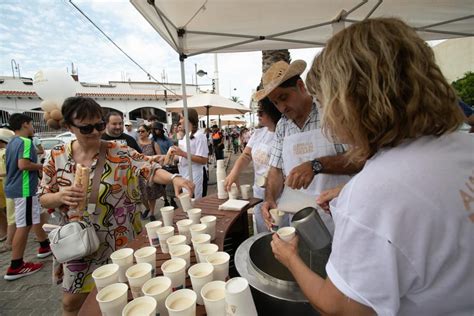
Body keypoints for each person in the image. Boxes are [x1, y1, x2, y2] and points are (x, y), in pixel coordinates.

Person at [271, 18, 474, 315]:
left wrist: (290, 258)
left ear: (351, 101)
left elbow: (339, 307)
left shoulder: (376, 193)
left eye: (326, 101)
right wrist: (347, 188)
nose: (327, 116)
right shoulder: (464, 144)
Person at [39, 97, 194, 315]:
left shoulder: (118, 150)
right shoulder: (56, 156)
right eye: (86, 127)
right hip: (79, 242)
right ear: (69, 127)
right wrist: (59, 197)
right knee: (71, 303)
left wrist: (174, 179)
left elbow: (147, 167)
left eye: (99, 125)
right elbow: (43, 196)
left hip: (120, 239)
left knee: (125, 296)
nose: (95, 132)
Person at [255, 60, 362, 231]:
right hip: (299, 221)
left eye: (284, 97)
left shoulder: (330, 113)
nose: (282, 107)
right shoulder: (283, 125)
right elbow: (275, 170)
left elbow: (359, 160)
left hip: (338, 215)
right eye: (276, 103)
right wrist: (269, 198)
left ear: (300, 86)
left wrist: (316, 165)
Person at [4, 114, 51, 281]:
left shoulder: (11, 142)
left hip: (16, 188)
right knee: (23, 225)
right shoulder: (25, 142)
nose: (33, 127)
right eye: (31, 124)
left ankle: (44, 246)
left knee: (35, 216)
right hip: (23, 189)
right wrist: (43, 166)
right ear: (25, 124)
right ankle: (16, 265)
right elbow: (23, 165)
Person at [224, 97, 281, 233]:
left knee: (277, 230)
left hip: (279, 193)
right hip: (259, 192)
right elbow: (246, 155)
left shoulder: (282, 133)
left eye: (261, 112)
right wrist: (234, 173)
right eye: (258, 112)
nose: (258, 115)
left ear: (272, 112)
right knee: (261, 229)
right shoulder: (259, 133)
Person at [170, 109, 209, 199]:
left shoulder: (199, 136)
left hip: (195, 174)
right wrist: (164, 157)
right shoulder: (187, 135)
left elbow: (203, 160)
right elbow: (182, 156)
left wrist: (182, 153)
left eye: (182, 118)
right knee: (187, 201)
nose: (180, 121)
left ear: (188, 119)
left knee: (195, 203)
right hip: (185, 173)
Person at [136, 124, 163, 220]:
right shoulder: (135, 144)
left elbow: (160, 158)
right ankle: (147, 208)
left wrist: (153, 160)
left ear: (148, 132)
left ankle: (151, 212)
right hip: (139, 173)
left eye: (142, 131)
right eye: (138, 131)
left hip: (151, 173)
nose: (140, 133)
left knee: (151, 193)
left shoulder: (153, 143)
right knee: (141, 195)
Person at [0, 128, 15, 253]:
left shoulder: (5, 152)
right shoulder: (8, 151)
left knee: (12, 216)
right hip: (10, 187)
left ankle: (9, 241)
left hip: (10, 188)